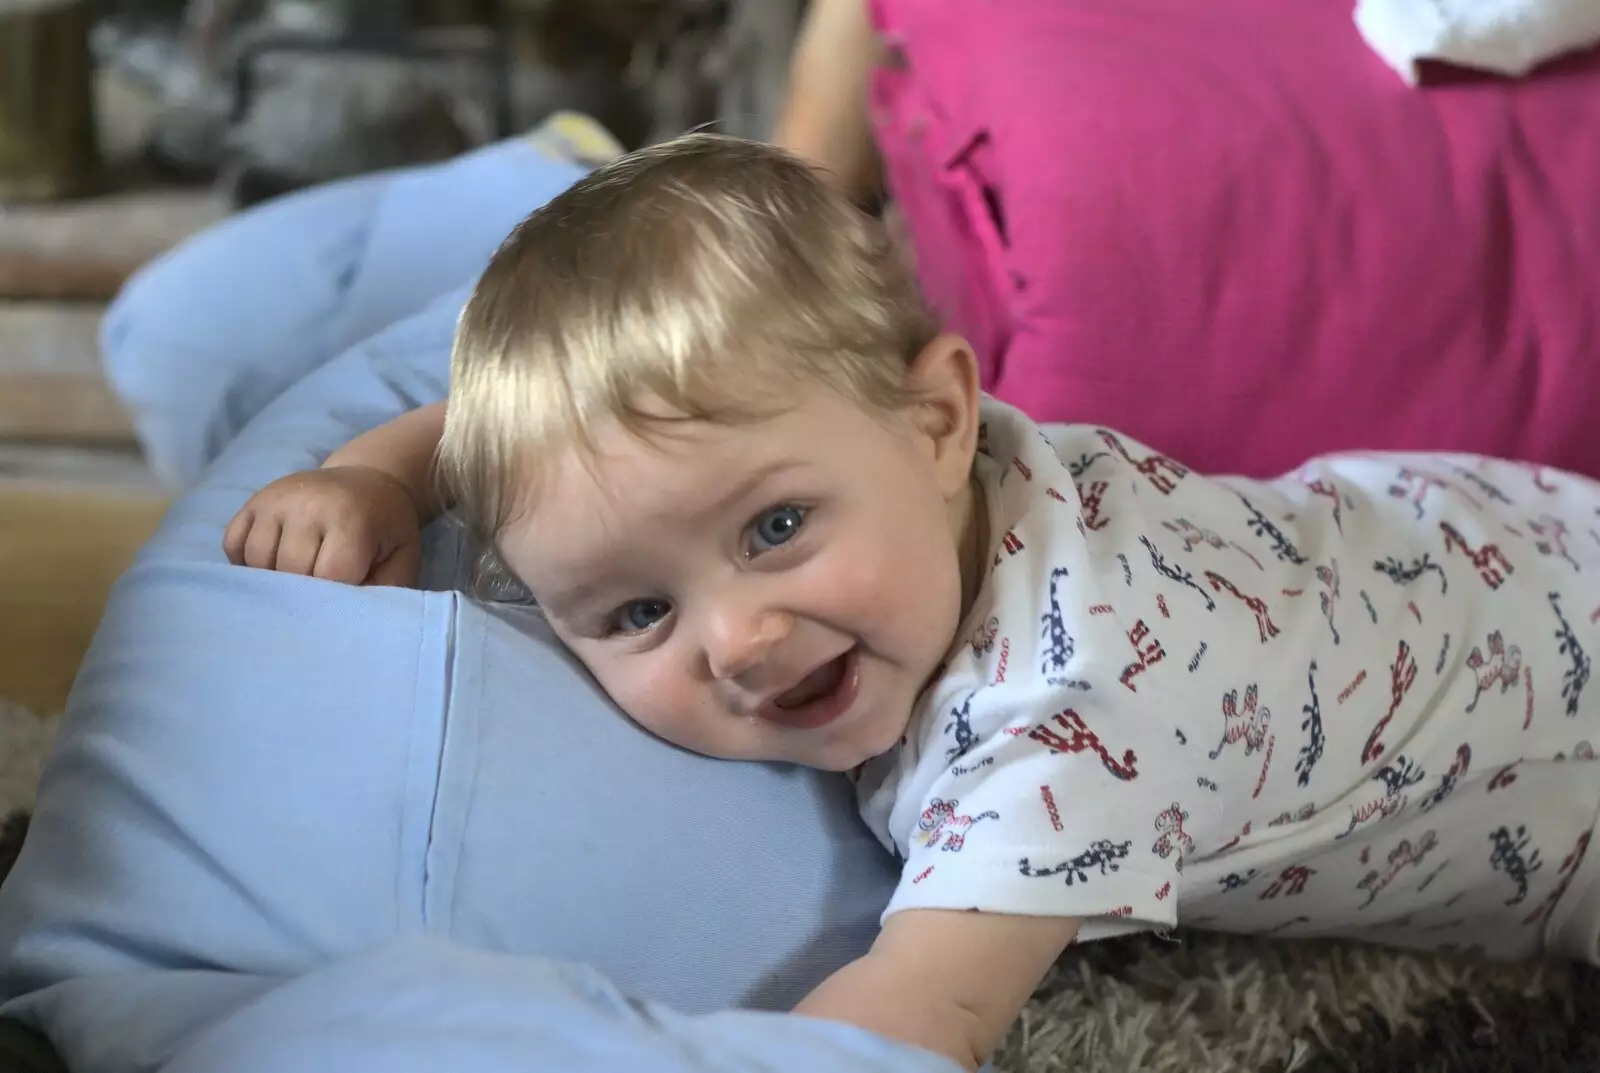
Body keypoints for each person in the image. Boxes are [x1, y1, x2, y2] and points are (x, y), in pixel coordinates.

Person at [222, 134, 1600, 1072]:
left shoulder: (1066, 720)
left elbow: (901, 1022)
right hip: (1453, 534)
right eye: (638, 613)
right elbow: (553, 457)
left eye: (775, 529)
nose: (741, 637)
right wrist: (379, 480)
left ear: (941, 414)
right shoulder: (879, 437)